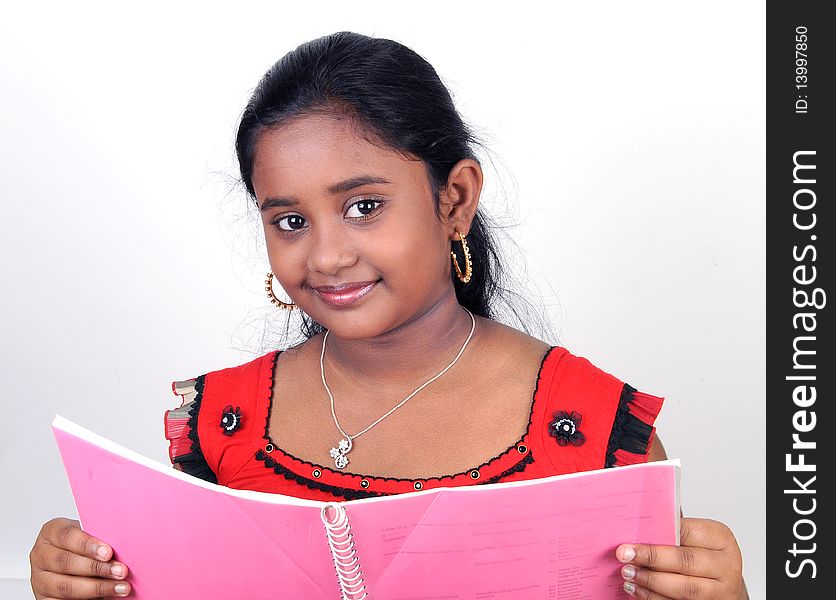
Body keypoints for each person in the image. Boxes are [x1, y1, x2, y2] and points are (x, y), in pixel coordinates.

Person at [29, 32, 748, 599]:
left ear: (455, 199)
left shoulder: (594, 433)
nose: (328, 255)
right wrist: (85, 580)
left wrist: (721, 595)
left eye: (364, 206)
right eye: (289, 221)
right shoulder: (224, 424)